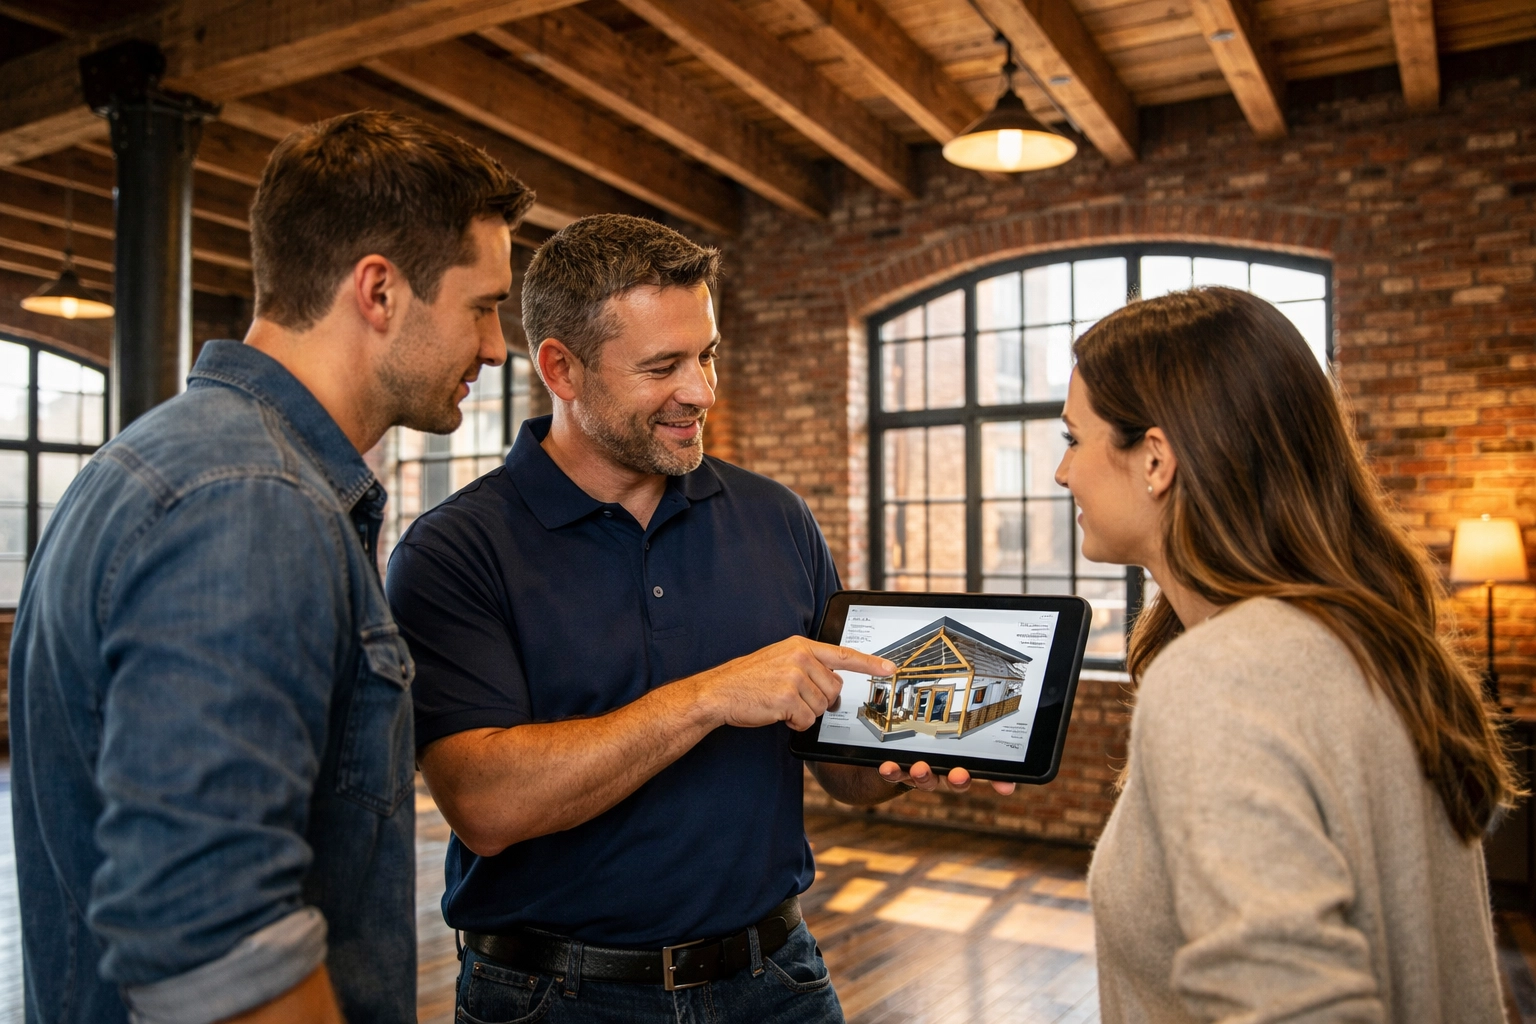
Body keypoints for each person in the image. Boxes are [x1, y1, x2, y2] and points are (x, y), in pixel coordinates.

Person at [385, 213, 1010, 1024]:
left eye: (707, 354)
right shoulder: (453, 550)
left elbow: (843, 772)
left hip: (778, 980)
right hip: (553, 999)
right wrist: (710, 696)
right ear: (561, 369)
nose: (701, 391)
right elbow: (487, 807)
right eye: (663, 366)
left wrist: (904, 752)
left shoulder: (777, 516)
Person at [8, 111, 531, 1024]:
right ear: (379, 291)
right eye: (483, 306)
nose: (495, 346)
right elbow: (214, 937)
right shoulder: (249, 498)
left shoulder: (168, 458)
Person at [1061, 287, 1518, 1021]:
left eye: (1072, 439)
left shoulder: (1222, 677)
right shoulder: (1374, 644)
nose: (1063, 474)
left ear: (1154, 459)